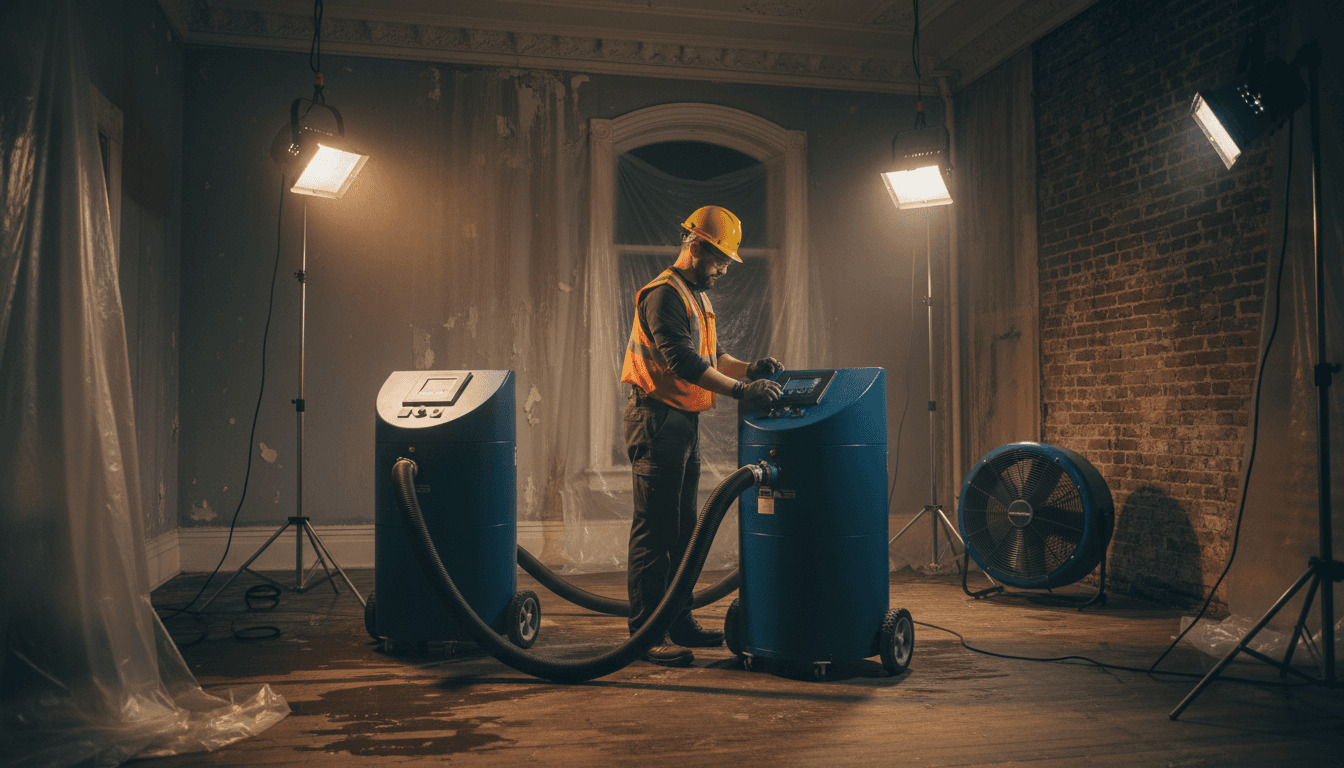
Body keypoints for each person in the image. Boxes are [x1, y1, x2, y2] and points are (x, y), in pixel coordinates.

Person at [619, 205, 784, 667]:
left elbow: (713, 355)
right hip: (655, 419)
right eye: (719, 259)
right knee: (656, 530)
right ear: (695, 246)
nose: (724, 269)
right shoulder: (664, 295)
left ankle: (677, 620)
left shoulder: (695, 297)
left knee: (683, 530)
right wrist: (742, 391)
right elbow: (683, 362)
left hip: (680, 421)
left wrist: (749, 369)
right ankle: (646, 635)